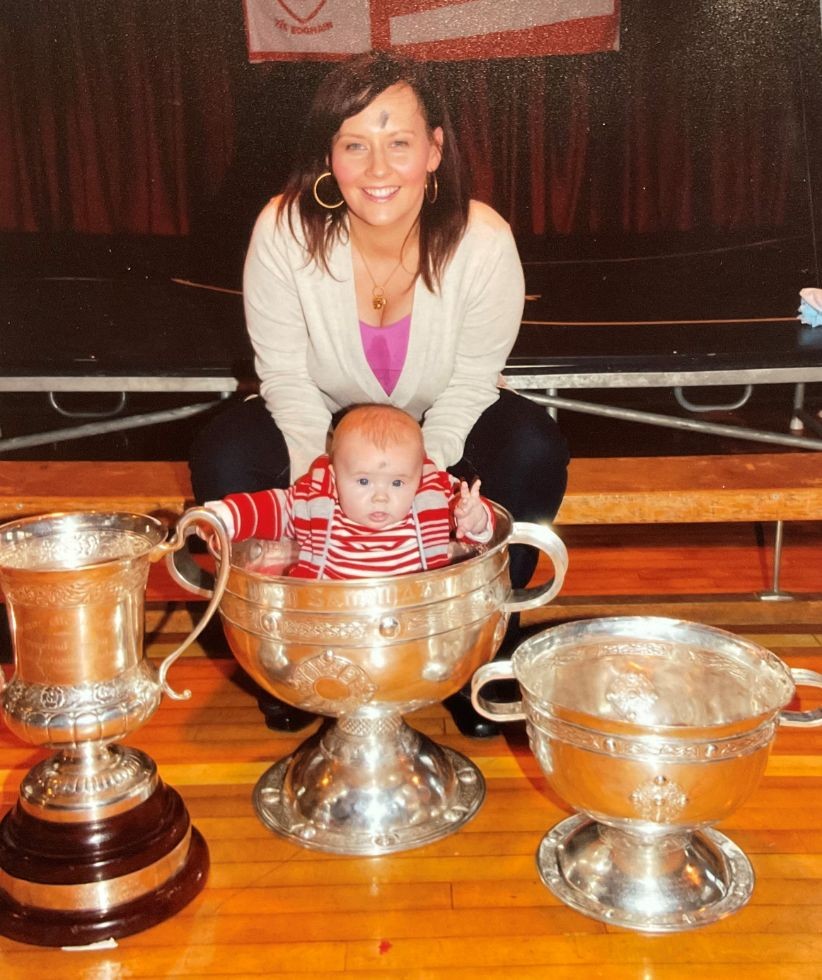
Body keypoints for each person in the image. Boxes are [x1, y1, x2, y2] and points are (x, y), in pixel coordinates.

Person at [189, 50, 569, 737]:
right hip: (321, 424)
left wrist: (422, 472)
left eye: (398, 143)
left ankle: (482, 650)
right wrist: (324, 476)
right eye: (354, 145)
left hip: (443, 422)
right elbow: (284, 377)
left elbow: (473, 382)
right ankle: (293, 648)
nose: (377, 168)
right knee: (225, 454)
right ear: (328, 156)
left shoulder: (483, 240)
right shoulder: (283, 228)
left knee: (532, 446)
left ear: (434, 150)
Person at [204, 404, 494, 578]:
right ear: (335, 478)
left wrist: (475, 518)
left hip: (414, 617)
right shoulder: (316, 502)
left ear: (418, 479)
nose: (380, 497)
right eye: (364, 482)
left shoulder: (433, 500)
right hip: (332, 616)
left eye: (397, 483)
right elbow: (274, 508)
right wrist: (228, 516)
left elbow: (482, 535)